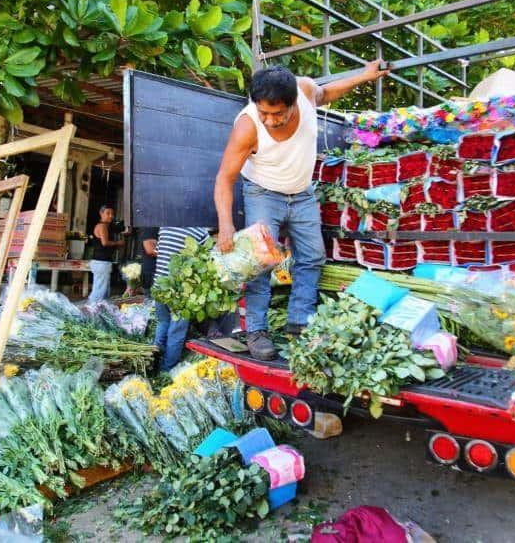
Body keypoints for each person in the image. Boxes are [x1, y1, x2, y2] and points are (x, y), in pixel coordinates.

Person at [213, 60, 389, 361]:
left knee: (312, 257)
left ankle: (299, 322)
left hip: (303, 193)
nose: (269, 120)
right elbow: (224, 178)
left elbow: (327, 93)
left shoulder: (305, 91)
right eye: (263, 112)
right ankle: (256, 329)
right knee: (260, 262)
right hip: (263, 193)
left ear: (293, 102)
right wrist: (226, 225)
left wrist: (364, 76)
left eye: (277, 113)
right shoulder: (247, 126)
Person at [153, 226, 210, 370]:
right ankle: (167, 370)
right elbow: (208, 261)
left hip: (159, 287)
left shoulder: (165, 227)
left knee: (163, 323)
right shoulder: (200, 231)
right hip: (181, 293)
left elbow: (158, 251)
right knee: (176, 333)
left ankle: (153, 362)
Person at [88, 206, 125, 303]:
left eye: (112, 214)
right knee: (100, 290)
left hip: (101, 262)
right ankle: (91, 310)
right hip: (101, 262)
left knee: (102, 289)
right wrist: (118, 243)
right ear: (101, 214)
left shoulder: (106, 226)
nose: (111, 216)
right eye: (108, 213)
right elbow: (105, 243)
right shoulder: (102, 226)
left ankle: (96, 310)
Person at [139, 227, 158, 297]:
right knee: (151, 302)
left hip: (155, 271)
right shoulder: (150, 227)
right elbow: (150, 250)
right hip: (152, 272)